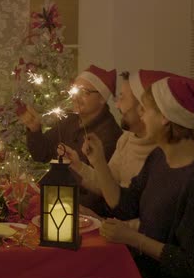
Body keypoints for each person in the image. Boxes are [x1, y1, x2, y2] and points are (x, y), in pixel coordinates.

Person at [83, 76, 194, 278]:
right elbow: (124, 206)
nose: (140, 113)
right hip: (149, 269)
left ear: (164, 117)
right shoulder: (159, 157)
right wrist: (99, 162)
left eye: (145, 109)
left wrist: (134, 239)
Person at [63, 70, 175, 218]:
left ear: (144, 105)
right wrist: (79, 165)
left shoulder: (166, 154)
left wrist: (104, 222)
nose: (116, 105)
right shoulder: (127, 139)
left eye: (122, 97)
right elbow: (110, 187)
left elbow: (156, 222)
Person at [19, 65, 122, 214]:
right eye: (74, 90)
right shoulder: (70, 120)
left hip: (81, 212)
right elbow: (41, 154)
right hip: (58, 200)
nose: (75, 97)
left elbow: (99, 189)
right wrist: (35, 130)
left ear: (101, 98)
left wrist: (62, 207)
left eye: (84, 92)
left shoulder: (109, 135)